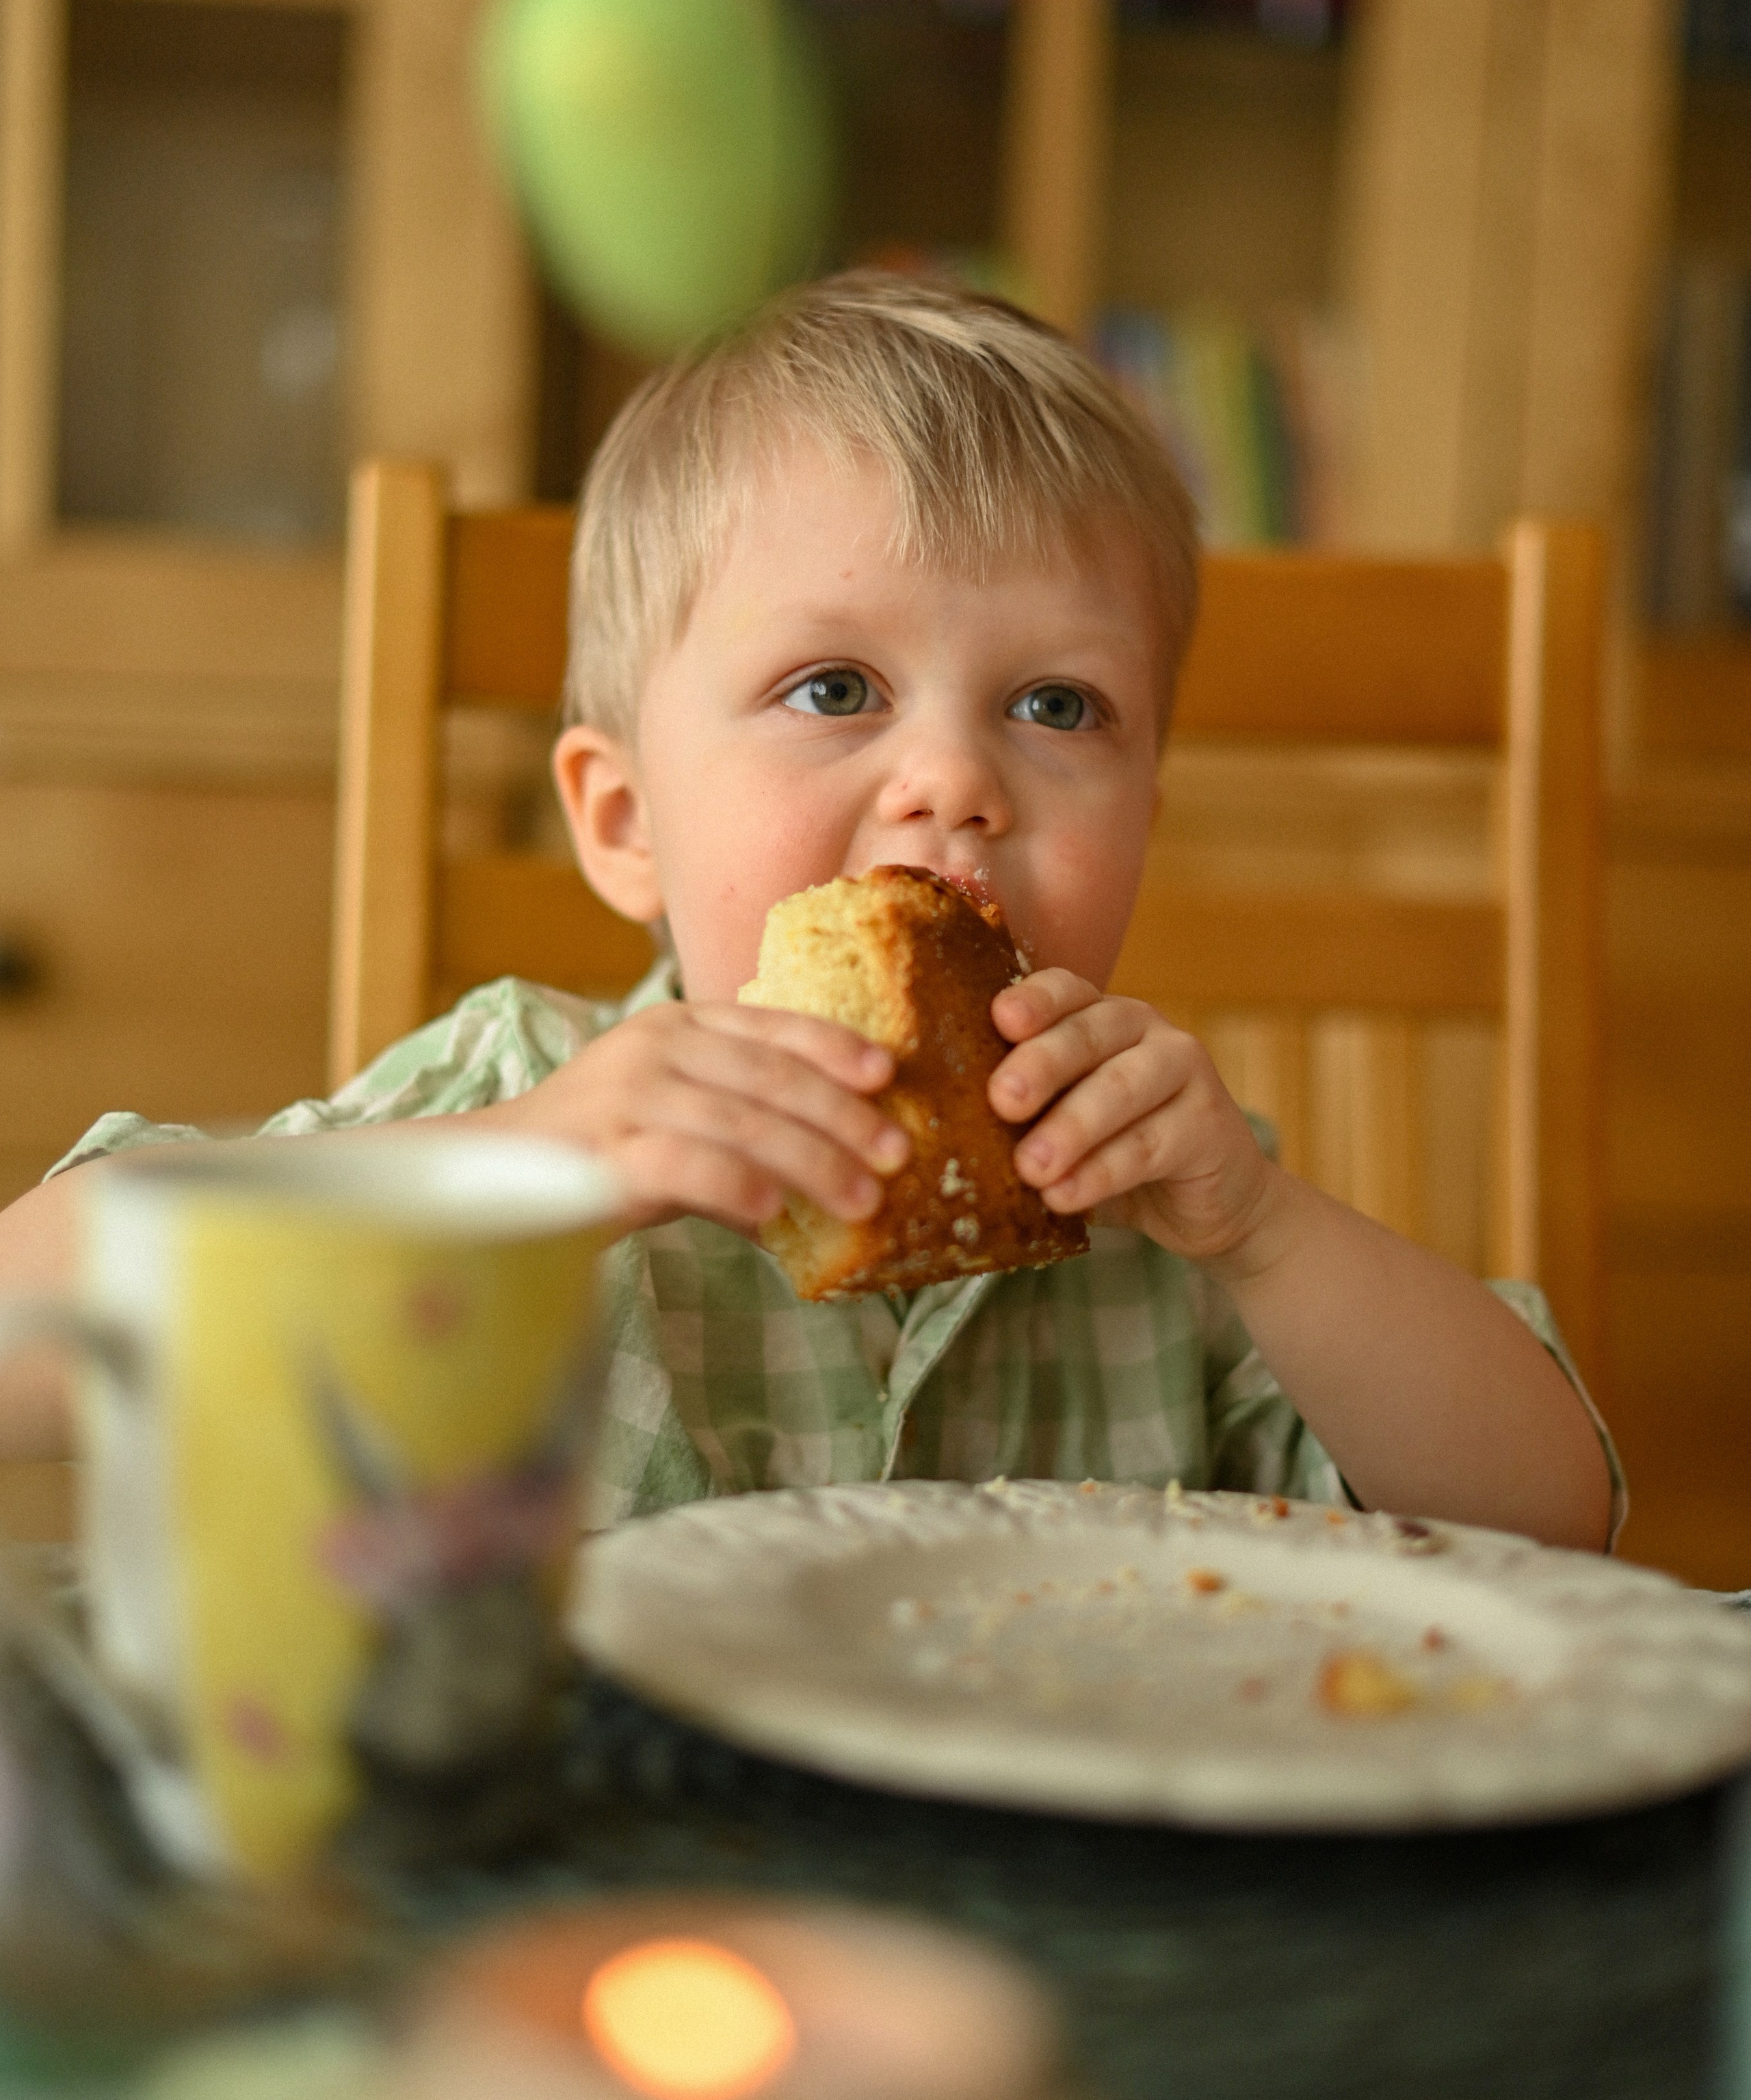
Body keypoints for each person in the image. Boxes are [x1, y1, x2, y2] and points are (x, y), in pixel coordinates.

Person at [0, 274, 1617, 1547]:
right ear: (624, 823)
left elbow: (1550, 1518)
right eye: (833, 686)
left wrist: (1265, 1233)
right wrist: (511, 1174)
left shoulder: (1169, 1209)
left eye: (1056, 707)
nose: (952, 780)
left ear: (1147, 821)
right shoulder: (522, 1104)